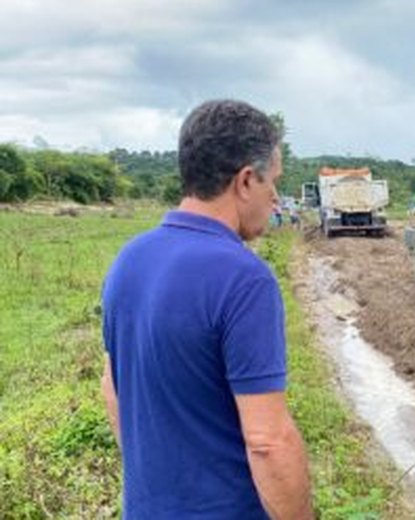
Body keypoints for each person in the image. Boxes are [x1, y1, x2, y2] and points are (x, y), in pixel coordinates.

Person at [100, 99, 313, 519]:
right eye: (274, 183)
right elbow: (268, 442)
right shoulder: (244, 279)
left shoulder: (129, 259)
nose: (275, 200)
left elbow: (113, 387)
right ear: (246, 181)